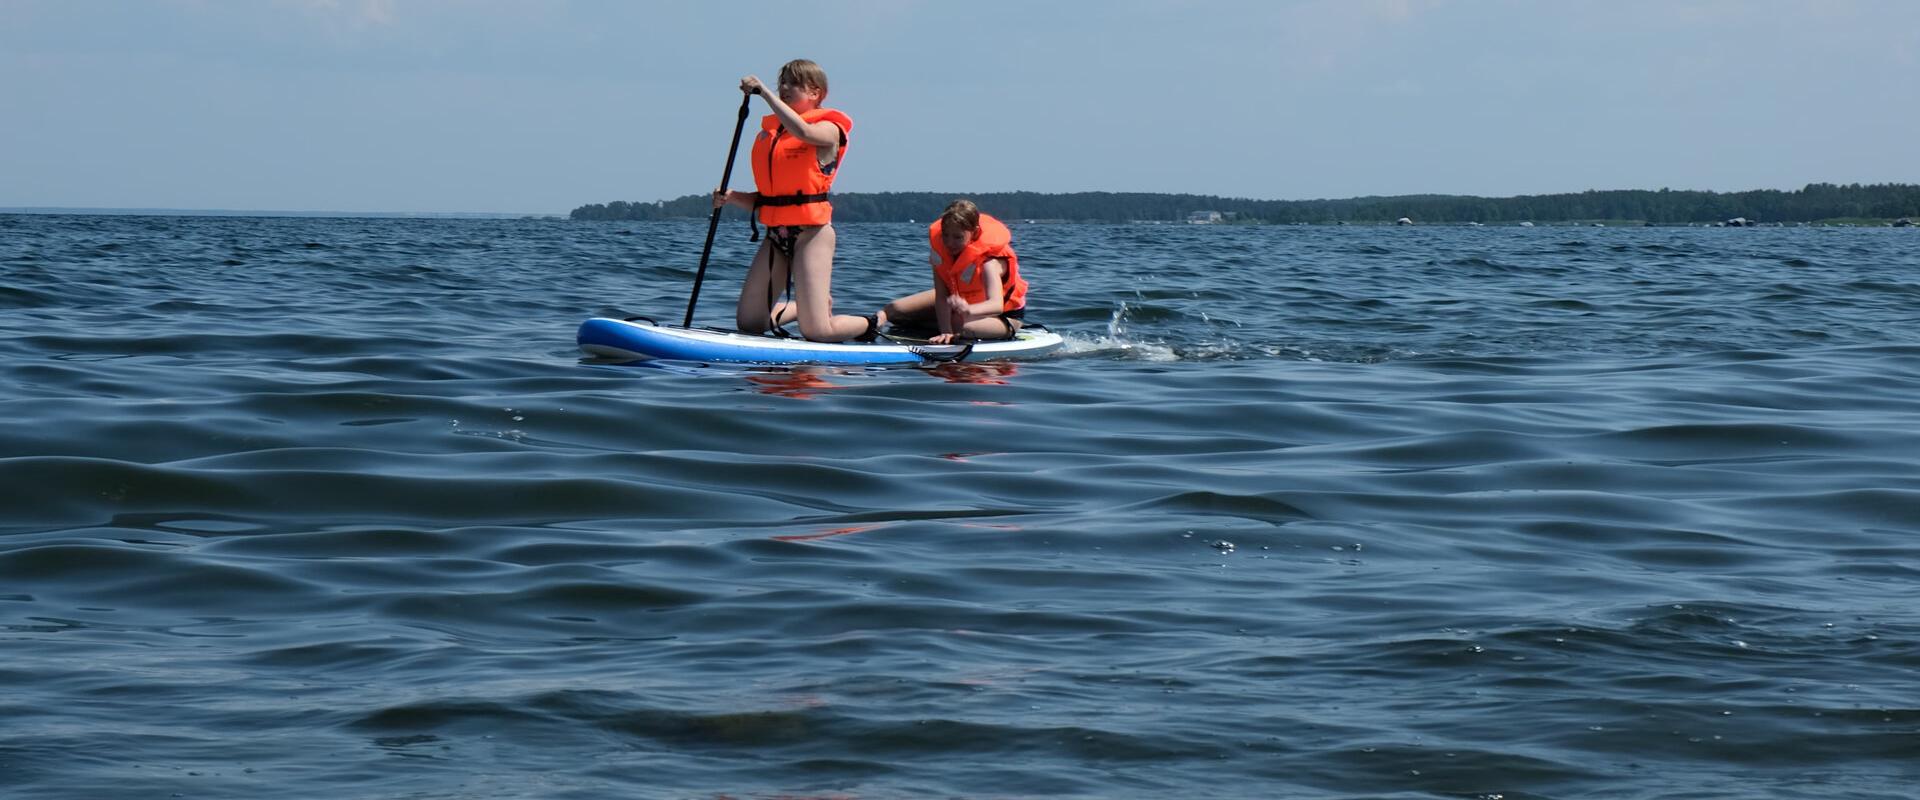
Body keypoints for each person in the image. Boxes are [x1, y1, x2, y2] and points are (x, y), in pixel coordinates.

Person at [712, 59, 876, 343]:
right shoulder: (774, 134)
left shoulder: (829, 128)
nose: (785, 88)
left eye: (794, 84)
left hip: (811, 235)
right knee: (749, 324)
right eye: (782, 83)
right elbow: (770, 202)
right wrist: (732, 198)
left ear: (815, 93)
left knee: (817, 332)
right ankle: (807, 307)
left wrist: (764, 93)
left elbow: (804, 132)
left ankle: (870, 323)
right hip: (776, 235)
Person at [878, 199, 1028, 344]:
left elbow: (996, 305)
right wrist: (945, 331)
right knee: (895, 311)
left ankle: (940, 324)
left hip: (1003, 316)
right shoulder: (940, 254)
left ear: (974, 233)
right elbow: (941, 296)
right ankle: (876, 323)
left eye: (958, 237)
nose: (950, 243)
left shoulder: (989, 262)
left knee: (965, 327)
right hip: (963, 305)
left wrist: (968, 310)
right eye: (945, 235)